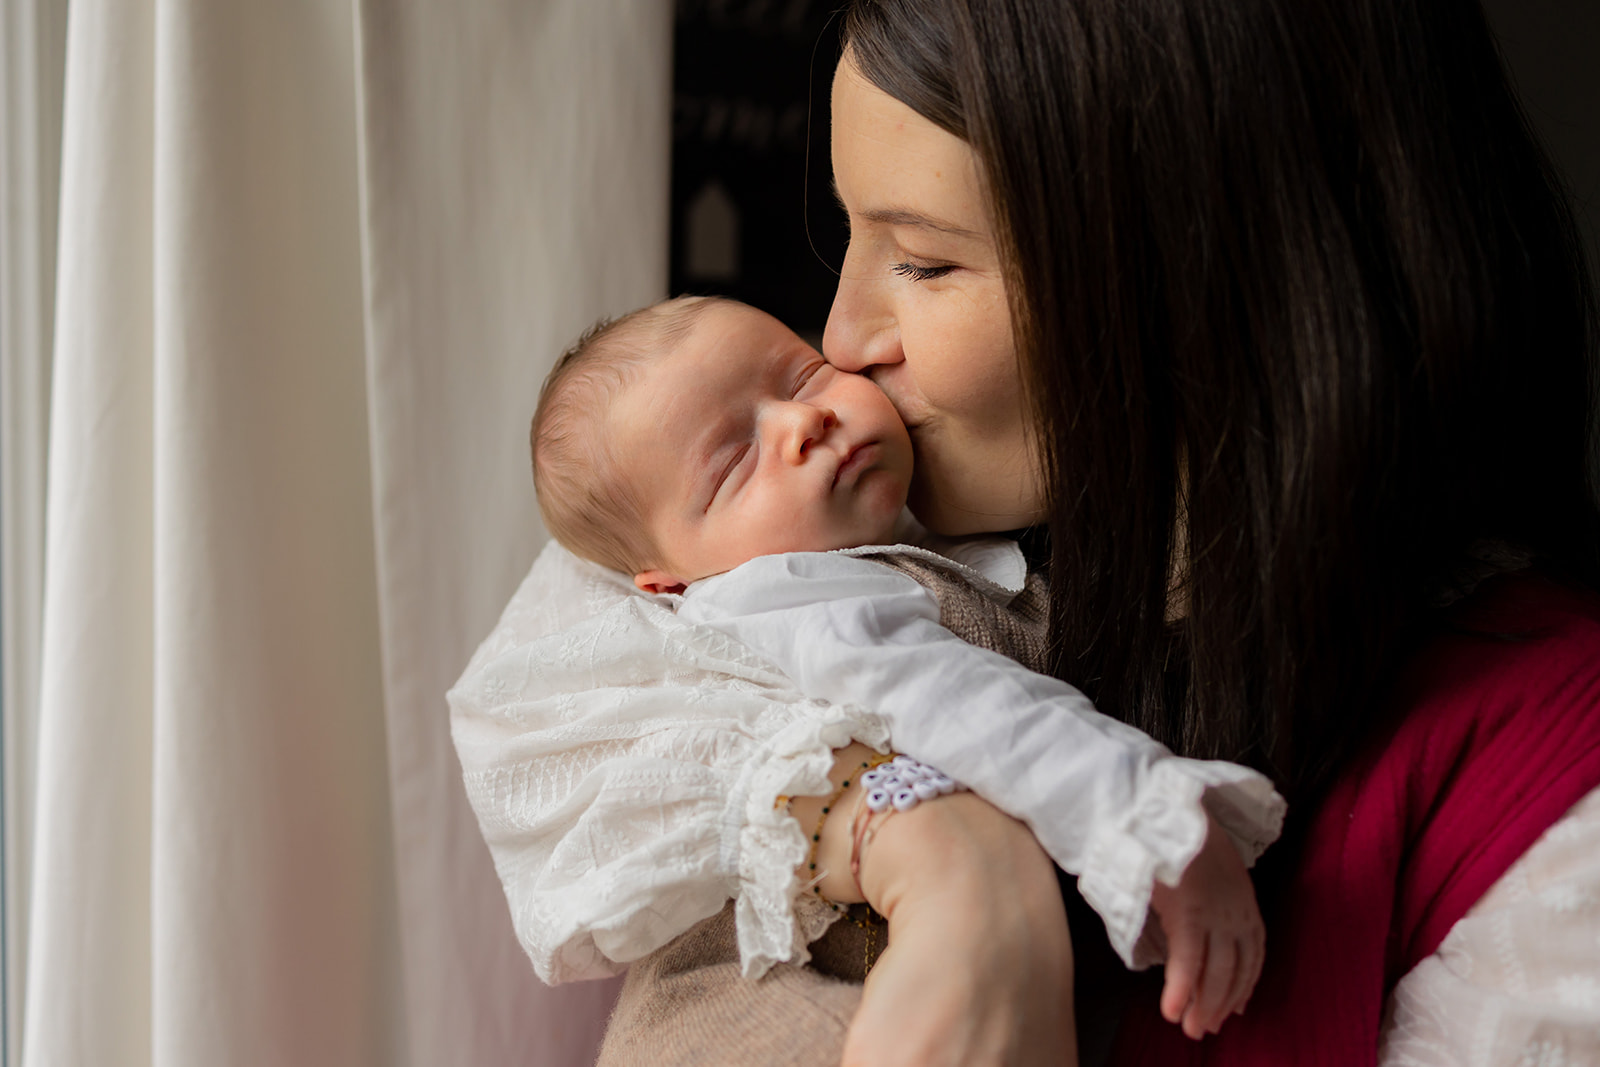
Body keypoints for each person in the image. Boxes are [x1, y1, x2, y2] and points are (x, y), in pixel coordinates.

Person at [450, 0, 1600, 1063]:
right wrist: (937, 846)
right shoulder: (749, 595)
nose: (844, 338)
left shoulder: (1542, 809)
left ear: (1195, 279)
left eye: (925, 258)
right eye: (851, 235)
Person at [525, 291, 1286, 1037]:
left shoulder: (920, 534)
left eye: (804, 373)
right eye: (732, 463)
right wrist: (1145, 815)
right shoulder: (777, 595)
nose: (802, 421)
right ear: (672, 581)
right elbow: (964, 702)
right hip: (755, 1007)